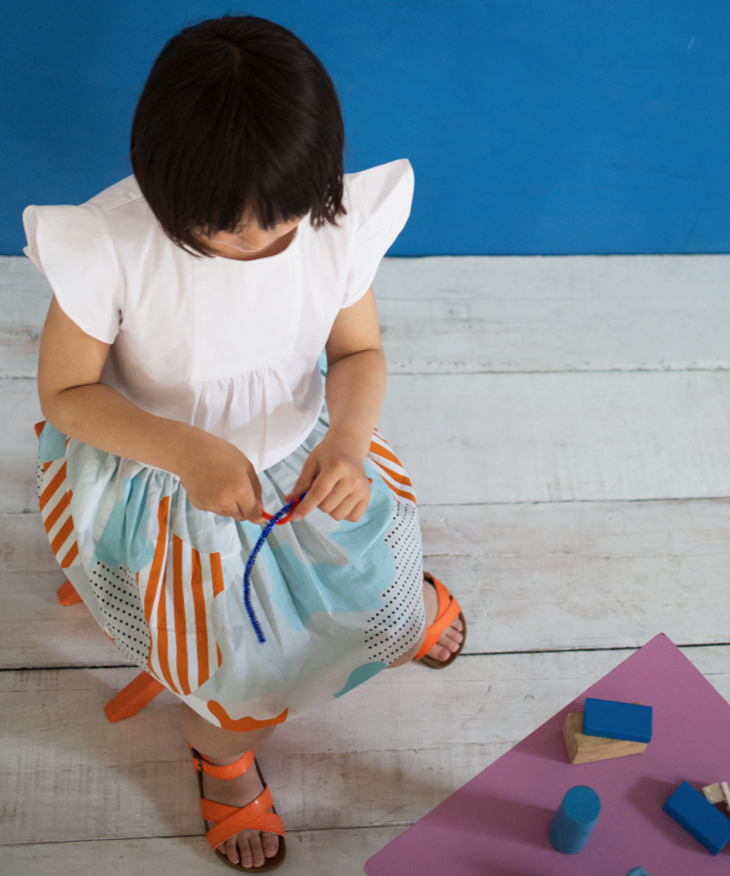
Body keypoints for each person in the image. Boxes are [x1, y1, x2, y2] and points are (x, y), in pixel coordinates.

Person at [24, 14, 466, 873]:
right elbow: (67, 394)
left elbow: (358, 351)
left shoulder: (329, 224)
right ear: (162, 187)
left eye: (283, 222)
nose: (261, 243)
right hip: (167, 478)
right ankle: (222, 756)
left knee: (375, 558)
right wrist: (185, 450)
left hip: (308, 451)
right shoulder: (113, 247)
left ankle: (394, 610)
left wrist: (346, 435)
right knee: (227, 660)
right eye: (229, 232)